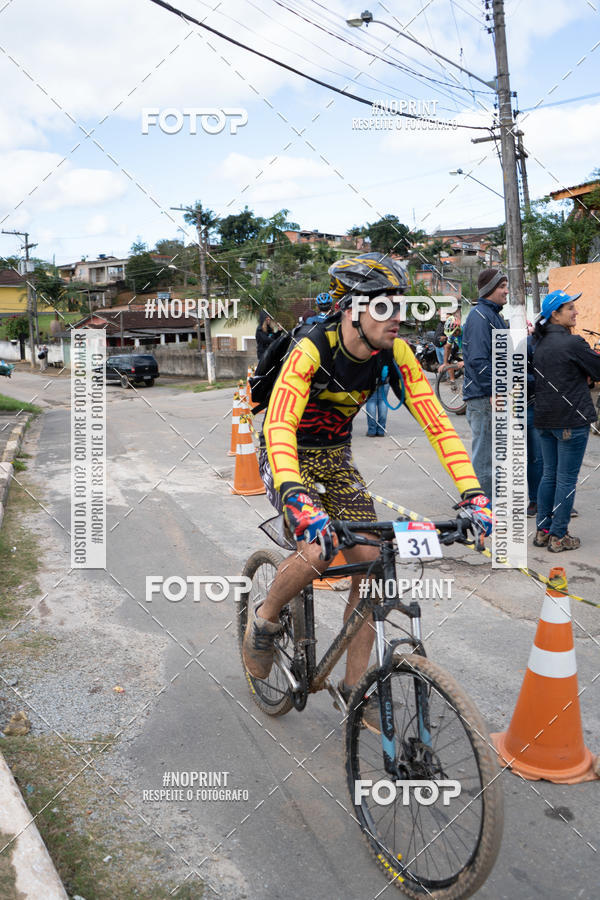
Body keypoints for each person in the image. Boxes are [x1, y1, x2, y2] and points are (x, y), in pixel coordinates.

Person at [243, 255, 492, 731]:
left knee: (373, 561)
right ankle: (266, 620)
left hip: (335, 457)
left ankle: (355, 686)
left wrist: (474, 495)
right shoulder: (313, 348)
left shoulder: (396, 353)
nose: (396, 316)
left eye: (399, 305)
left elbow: (438, 425)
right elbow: (279, 425)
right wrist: (295, 496)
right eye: (383, 307)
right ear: (352, 310)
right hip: (285, 454)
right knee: (318, 549)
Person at [532, 290, 600, 552]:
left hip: (545, 419)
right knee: (566, 480)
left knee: (549, 475)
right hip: (570, 420)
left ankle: (543, 531)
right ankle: (559, 535)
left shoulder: (537, 343)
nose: (576, 312)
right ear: (555, 314)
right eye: (570, 308)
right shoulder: (573, 343)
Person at [462, 269, 509, 501]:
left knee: (494, 456)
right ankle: (482, 508)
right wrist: (495, 390)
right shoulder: (480, 316)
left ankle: (491, 503)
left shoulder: (492, 314)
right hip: (484, 398)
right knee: (485, 459)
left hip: (489, 395)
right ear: (489, 289)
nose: (506, 291)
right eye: (502, 286)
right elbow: (478, 360)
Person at [526, 321, 543, 518]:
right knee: (536, 456)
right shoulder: (528, 344)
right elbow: (518, 373)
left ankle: (560, 501)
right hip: (533, 404)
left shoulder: (568, 342)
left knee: (559, 459)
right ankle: (536, 500)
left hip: (557, 408)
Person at [365, 363, 390, 436]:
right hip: (385, 376)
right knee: (383, 401)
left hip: (370, 378)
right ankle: (381, 430)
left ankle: (372, 430)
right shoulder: (386, 354)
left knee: (371, 401)